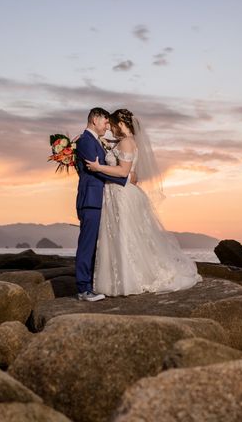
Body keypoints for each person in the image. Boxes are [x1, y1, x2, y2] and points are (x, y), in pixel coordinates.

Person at [85, 108, 202, 296]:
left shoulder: (126, 143)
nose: (111, 129)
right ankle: (119, 280)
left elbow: (123, 172)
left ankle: (127, 281)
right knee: (121, 235)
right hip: (116, 193)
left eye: (113, 125)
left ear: (121, 125)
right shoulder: (125, 141)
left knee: (124, 235)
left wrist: (98, 167)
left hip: (122, 194)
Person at [74, 107, 129, 301]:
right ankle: (83, 289)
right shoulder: (85, 141)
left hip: (99, 199)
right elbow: (95, 168)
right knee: (87, 245)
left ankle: (90, 284)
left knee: (96, 245)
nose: (107, 126)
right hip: (91, 199)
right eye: (106, 122)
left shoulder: (95, 140)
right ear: (95, 119)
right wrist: (123, 177)